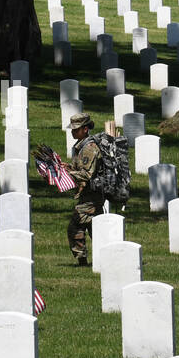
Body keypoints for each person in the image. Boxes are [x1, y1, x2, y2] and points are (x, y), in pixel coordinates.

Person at [66, 113, 117, 265]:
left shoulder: (89, 148)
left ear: (86, 129)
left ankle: (83, 260)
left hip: (92, 195)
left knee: (75, 227)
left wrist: (67, 173)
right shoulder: (81, 146)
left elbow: (87, 174)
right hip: (88, 195)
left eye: (76, 129)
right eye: (73, 129)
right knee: (95, 228)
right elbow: (79, 168)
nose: (73, 132)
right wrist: (67, 168)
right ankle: (111, 257)